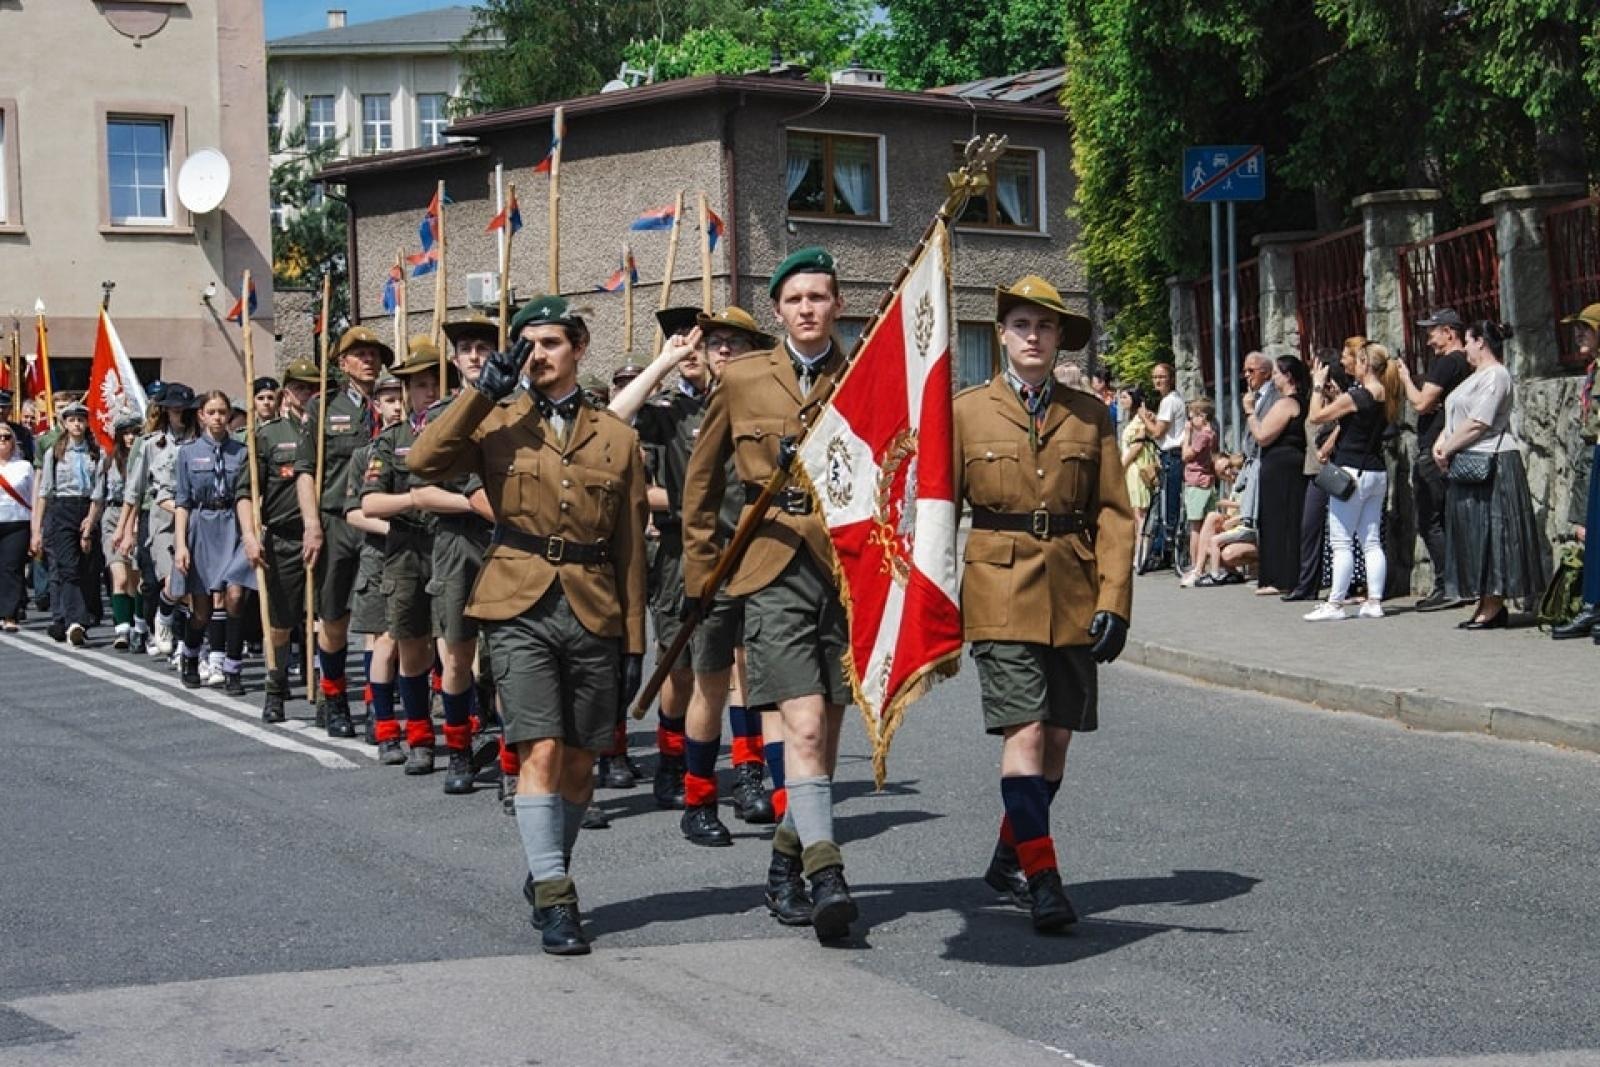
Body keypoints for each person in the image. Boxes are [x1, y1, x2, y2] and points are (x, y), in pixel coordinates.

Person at [409, 295, 647, 956]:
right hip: (516, 602)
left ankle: (547, 867)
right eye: (528, 344)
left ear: (578, 348)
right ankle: (557, 894)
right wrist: (481, 394)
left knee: (580, 764)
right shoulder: (496, 420)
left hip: (594, 603)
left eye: (550, 343)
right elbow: (423, 461)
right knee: (538, 747)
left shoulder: (618, 437)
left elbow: (629, 543)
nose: (537, 355)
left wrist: (635, 638)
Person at [680, 247, 858, 940]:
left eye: (819, 296)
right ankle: (826, 870)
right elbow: (701, 484)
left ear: (837, 306)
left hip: (845, 568)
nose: (808, 309)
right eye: (795, 299)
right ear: (778, 310)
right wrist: (703, 575)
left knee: (829, 731)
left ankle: (785, 863)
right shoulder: (746, 376)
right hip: (771, 564)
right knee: (804, 724)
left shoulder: (864, 373)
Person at [954, 274, 1134, 932]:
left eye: (1046, 326)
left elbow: (1115, 513)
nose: (1033, 336)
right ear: (1002, 334)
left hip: (1073, 587)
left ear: (1061, 339)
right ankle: (1044, 876)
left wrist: (1115, 596)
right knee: (1024, 730)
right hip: (997, 587)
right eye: (1022, 325)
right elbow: (933, 506)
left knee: (1057, 737)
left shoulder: (1090, 414)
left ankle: (1010, 853)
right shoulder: (966, 411)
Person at [611, 305, 778, 844]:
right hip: (691, 553)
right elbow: (614, 423)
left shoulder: (767, 404)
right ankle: (686, 780)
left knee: (749, 673)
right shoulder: (674, 412)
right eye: (716, 342)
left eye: (736, 342)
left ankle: (750, 775)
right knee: (692, 673)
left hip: (758, 554)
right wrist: (663, 362)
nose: (724, 350)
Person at [410, 315, 501, 794]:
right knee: (459, 656)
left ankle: (511, 764)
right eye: (465, 349)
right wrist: (478, 503)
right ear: (453, 359)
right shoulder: (442, 414)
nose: (473, 356)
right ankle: (460, 752)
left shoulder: (512, 409)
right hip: (457, 544)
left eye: (483, 348)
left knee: (507, 658)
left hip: (506, 544)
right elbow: (422, 490)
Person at [296, 326, 395, 738]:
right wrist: (312, 525)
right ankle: (333, 697)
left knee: (381, 619)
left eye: (374, 352)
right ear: (342, 363)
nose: (369, 359)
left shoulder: (394, 404)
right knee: (334, 616)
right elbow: (305, 472)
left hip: (380, 521)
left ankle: (377, 705)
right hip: (337, 521)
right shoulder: (323, 408)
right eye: (360, 353)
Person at [360, 343, 449, 775]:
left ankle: (460, 735)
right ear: (407, 392)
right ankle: (418, 735)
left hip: (451, 547)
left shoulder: (459, 434)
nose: (429, 392)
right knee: (411, 647)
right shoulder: (390, 442)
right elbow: (370, 503)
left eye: (435, 384)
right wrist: (415, 498)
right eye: (420, 386)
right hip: (408, 551)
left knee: (454, 648)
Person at [1432, 321, 1549, 630]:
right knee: (1474, 534)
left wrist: (1448, 448)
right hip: (1469, 461)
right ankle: (1485, 601)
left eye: (1468, 342)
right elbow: (1458, 416)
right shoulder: (1476, 377)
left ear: (1480, 342)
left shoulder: (1497, 375)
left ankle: (1494, 604)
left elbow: (1479, 422)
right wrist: (1441, 442)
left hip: (1492, 463)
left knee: (1493, 532)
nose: (1465, 348)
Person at [1304, 340, 1400, 621]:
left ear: (1366, 364)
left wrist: (1318, 386)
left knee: (1342, 541)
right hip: (1376, 472)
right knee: (1371, 541)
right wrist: (1339, 398)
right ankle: (1374, 600)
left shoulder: (1359, 395)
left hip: (1351, 471)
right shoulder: (1385, 393)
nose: (1353, 366)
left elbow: (1315, 417)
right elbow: (1357, 419)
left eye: (1357, 361)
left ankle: (1334, 604)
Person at [246, 359, 319, 722]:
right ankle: (274, 687)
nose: (309, 394)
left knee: (327, 618)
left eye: (313, 387)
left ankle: (323, 686)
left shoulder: (327, 429)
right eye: (302, 388)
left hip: (327, 533)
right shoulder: (269, 435)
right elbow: (245, 491)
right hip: (286, 538)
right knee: (281, 622)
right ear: (288, 392)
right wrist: (249, 535)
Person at [171, 391, 257, 693]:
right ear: (201, 416)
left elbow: (249, 494)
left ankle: (233, 667)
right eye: (212, 412)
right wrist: (181, 544)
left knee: (234, 596)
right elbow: (182, 502)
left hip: (234, 525)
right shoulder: (188, 453)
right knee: (202, 610)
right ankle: (191, 656)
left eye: (223, 411)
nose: (218, 417)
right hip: (202, 526)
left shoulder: (243, 452)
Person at [344, 376, 404, 756]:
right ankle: (380, 719)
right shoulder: (366, 455)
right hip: (383, 555)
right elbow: (353, 513)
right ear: (377, 407)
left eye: (401, 398)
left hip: (421, 555)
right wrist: (395, 528)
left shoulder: (423, 448)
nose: (397, 406)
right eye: (389, 400)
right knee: (385, 638)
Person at [1398, 308, 1474, 610]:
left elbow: (1421, 402)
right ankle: (1462, 583)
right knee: (1448, 518)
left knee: (1431, 519)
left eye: (1432, 332)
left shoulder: (1446, 364)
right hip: (1453, 445)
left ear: (1449, 332)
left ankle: (1448, 584)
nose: (1429, 339)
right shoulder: (1467, 364)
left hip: (1436, 449)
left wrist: (1405, 378)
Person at [117, 384, 199, 659]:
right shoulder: (152, 444)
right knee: (171, 580)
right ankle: (163, 621)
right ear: (164, 409)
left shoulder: (200, 440)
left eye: (182, 406)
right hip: (163, 517)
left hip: (197, 518)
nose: (178, 411)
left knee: (195, 588)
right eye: (173, 406)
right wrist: (126, 530)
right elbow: (135, 488)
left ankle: (186, 645)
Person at [31, 402, 100, 645]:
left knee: (87, 568)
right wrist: (36, 530)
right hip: (62, 508)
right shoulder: (55, 452)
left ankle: (72, 617)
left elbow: (98, 491)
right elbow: (45, 492)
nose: (77, 425)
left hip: (88, 508)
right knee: (67, 567)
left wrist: (90, 520)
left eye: (81, 419)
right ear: (65, 424)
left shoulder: (94, 451)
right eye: (72, 420)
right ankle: (75, 621)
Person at [1551, 304, 1600, 640]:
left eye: (1586, 327)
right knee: (1592, 534)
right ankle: (1592, 606)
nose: (1578, 333)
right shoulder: (1594, 368)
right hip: (1593, 451)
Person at [1248, 355, 1311, 595]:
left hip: (1282, 467)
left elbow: (1263, 435)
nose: (1273, 379)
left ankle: (1279, 577)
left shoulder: (1286, 404)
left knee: (1279, 521)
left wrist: (1250, 413)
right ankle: (1284, 575)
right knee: (1284, 520)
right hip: (1287, 466)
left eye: (1276, 374)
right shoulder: (1300, 402)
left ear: (1288, 376)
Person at [96, 412, 146, 650]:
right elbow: (98, 497)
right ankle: (122, 629)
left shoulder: (144, 459)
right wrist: (88, 523)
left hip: (136, 518)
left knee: (136, 579)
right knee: (120, 576)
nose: (129, 438)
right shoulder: (108, 461)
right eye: (125, 433)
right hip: (113, 517)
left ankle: (139, 626)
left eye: (134, 432)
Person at [1137, 362, 1186, 572]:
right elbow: (1165, 427)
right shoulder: (1172, 401)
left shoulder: (1169, 401)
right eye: (1155, 377)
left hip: (1172, 456)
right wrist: (1154, 419)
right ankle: (1166, 550)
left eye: (1161, 377)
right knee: (1166, 502)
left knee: (1169, 505)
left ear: (1171, 378)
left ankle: (1169, 548)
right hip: (1172, 454)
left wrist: (1143, 418)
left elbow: (1158, 433)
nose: (1157, 381)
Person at [1118, 388, 1159, 570]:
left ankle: (1141, 553)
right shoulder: (1131, 419)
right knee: (1135, 514)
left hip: (1136, 467)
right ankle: (1137, 553)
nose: (1121, 400)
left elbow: (1136, 447)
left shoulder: (1141, 420)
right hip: (1130, 468)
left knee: (1140, 513)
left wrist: (1120, 467)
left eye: (1125, 396)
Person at [0, 421, 33, 632]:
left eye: (6, 437)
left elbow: (32, 496)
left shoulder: (24, 466)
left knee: (11, 568)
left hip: (17, 522)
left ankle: (10, 614)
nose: (2, 441)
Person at [1180, 398, 1219, 574]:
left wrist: (1187, 435)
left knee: (1196, 527)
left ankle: (1196, 564)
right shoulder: (1213, 434)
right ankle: (1204, 563)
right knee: (1207, 525)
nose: (1190, 421)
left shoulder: (1202, 435)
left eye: (1193, 417)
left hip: (1196, 482)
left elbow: (1186, 456)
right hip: (1208, 480)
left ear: (1202, 417)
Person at [0, 389, 36, 464]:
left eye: (4, 407)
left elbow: (29, 458)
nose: (0, 410)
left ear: (10, 409)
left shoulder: (22, 432)